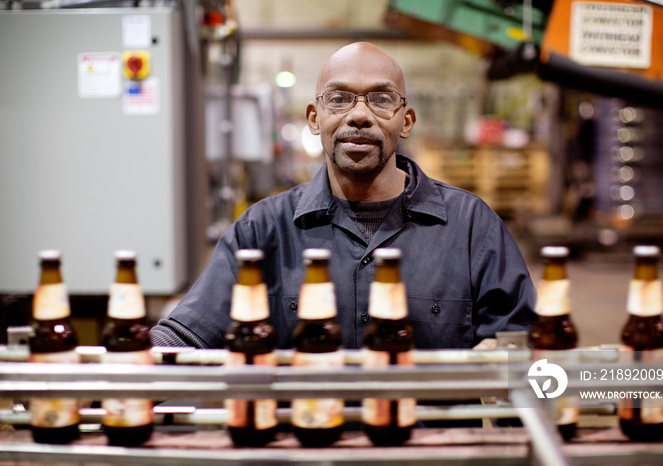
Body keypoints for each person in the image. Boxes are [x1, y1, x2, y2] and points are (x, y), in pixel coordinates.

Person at [151, 42, 536, 351]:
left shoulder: (471, 228)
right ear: (315, 118)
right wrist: (118, 377)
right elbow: (186, 336)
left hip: (428, 446)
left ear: (406, 121)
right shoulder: (262, 230)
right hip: (305, 445)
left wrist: (509, 358)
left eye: (381, 99)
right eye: (339, 99)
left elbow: (526, 350)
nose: (359, 115)